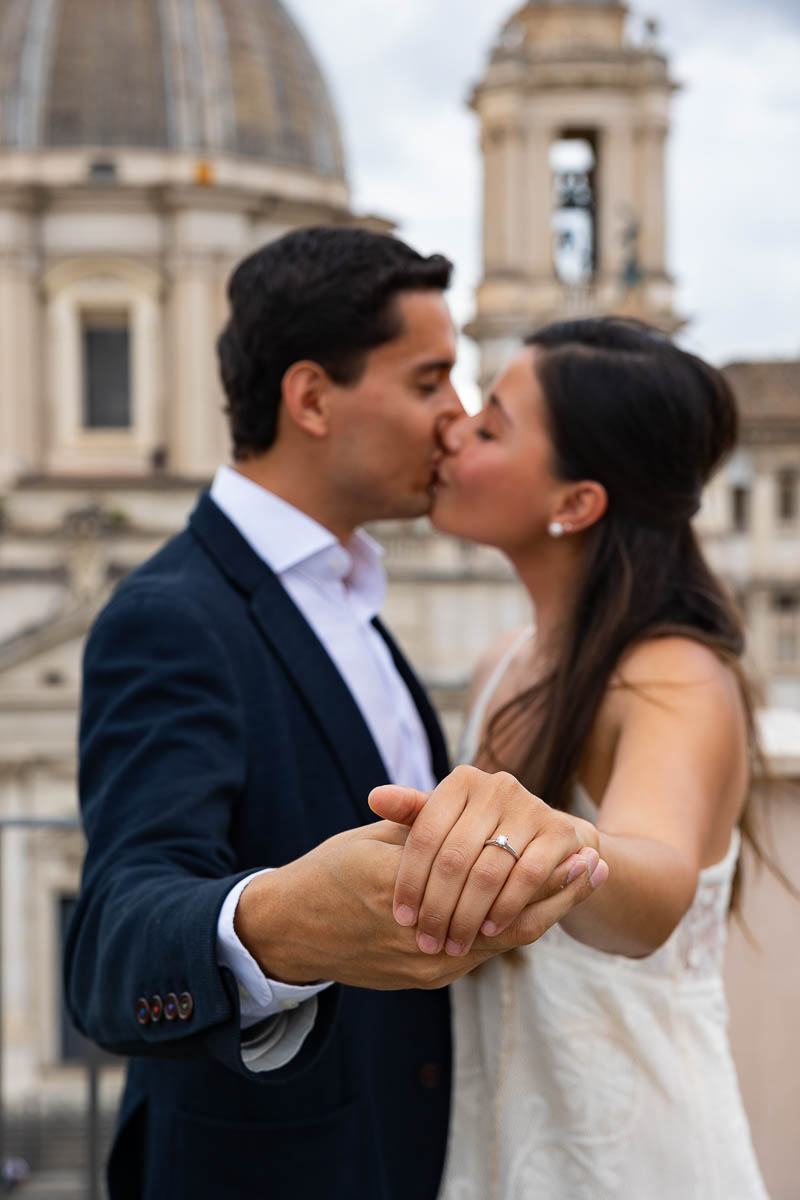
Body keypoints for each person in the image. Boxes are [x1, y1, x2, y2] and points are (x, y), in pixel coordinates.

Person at [63, 227, 602, 1200]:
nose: (458, 417)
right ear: (310, 398)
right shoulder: (171, 613)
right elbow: (114, 941)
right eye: (430, 380)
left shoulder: (351, 600)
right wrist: (284, 923)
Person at [372, 317, 769, 1198]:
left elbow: (655, 885)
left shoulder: (675, 676)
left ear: (577, 502)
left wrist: (552, 842)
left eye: (490, 425)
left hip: (634, 1166)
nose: (453, 429)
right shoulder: (502, 664)